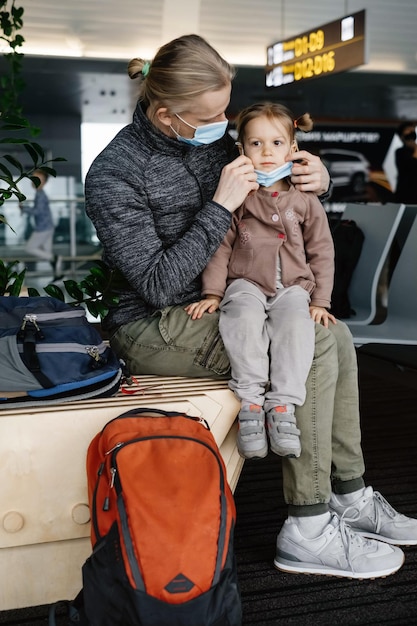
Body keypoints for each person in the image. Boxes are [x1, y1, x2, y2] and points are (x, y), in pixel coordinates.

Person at [85, 34, 417, 581]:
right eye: (212, 115)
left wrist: (317, 181)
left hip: (241, 300)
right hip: (155, 325)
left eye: (227, 110)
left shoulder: (214, 143)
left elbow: (279, 199)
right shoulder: (115, 173)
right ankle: (308, 525)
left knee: (328, 331)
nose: (225, 126)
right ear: (167, 115)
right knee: (315, 345)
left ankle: (350, 494)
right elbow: (157, 285)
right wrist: (220, 205)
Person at [185, 102, 336, 461]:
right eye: (256, 144)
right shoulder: (239, 196)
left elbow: (322, 251)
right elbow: (220, 247)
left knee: (295, 330)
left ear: (294, 149)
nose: (267, 152)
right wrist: (213, 292)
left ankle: (281, 408)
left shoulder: (305, 200)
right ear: (241, 149)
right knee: (242, 320)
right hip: (246, 282)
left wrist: (321, 301)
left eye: (276, 143)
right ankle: (251, 402)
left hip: (293, 288)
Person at [20, 169, 63, 280]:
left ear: (44, 182)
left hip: (43, 228)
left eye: (38, 179)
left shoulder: (40, 195)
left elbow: (37, 211)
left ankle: (57, 259)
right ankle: (58, 276)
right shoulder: (40, 193)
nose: (34, 181)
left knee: (30, 248)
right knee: (48, 254)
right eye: (33, 178)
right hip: (48, 226)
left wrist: (24, 209)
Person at [394, 121, 417, 204]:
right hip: (405, 194)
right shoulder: (400, 152)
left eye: (413, 129)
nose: (411, 131)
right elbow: (411, 165)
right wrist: (415, 148)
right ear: (401, 136)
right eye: (408, 129)